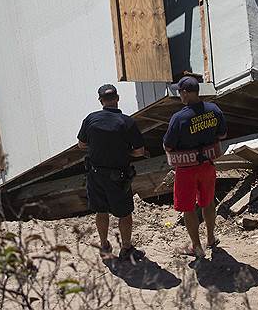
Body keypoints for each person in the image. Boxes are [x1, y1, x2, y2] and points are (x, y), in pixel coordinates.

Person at [77, 84, 148, 262]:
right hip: (118, 177)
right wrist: (125, 152)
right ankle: (126, 248)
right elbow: (139, 151)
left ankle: (104, 245)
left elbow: (81, 144)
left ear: (101, 101)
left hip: (95, 174)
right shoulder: (127, 122)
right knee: (124, 214)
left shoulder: (91, 119)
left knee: (101, 211)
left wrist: (98, 147)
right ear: (117, 99)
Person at [163, 76, 228, 259]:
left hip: (186, 169)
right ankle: (211, 238)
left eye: (180, 92)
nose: (179, 95)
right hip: (207, 165)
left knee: (188, 208)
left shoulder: (179, 118)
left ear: (185, 93)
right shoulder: (213, 110)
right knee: (208, 202)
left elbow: (168, 146)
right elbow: (222, 134)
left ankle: (197, 247)